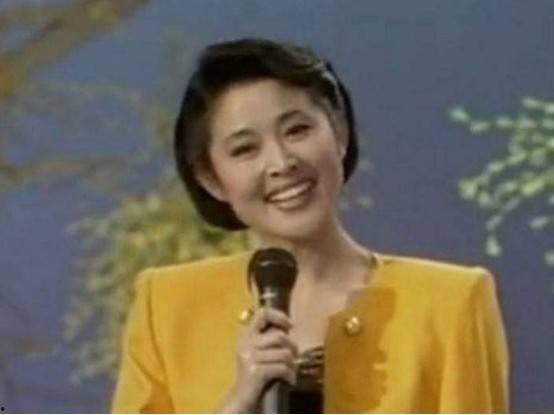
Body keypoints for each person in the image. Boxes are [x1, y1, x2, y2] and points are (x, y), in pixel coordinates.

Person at [111, 38, 509, 413]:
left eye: (297, 130)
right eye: (245, 149)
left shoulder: (452, 303)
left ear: (340, 133)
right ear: (210, 178)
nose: (282, 163)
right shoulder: (167, 307)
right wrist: (237, 404)